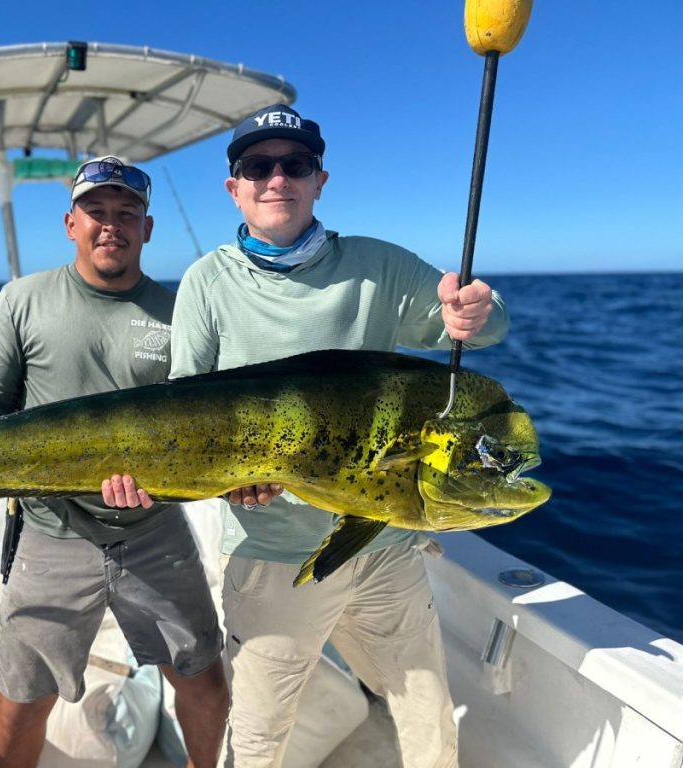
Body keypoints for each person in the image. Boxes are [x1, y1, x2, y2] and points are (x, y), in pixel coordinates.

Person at [109, 103, 508, 767]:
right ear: (234, 187)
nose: (277, 178)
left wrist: (477, 311)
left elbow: (481, 327)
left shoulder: (381, 267)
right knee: (259, 738)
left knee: (430, 718)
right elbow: (184, 417)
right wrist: (218, 483)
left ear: (319, 180)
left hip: (382, 543)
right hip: (272, 553)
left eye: (295, 164)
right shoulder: (207, 282)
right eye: (257, 166)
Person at [0, 156, 228, 768]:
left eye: (127, 213)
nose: (111, 224)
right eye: (96, 212)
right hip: (50, 532)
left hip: (154, 528)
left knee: (205, 684)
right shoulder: (22, 299)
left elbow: (203, 421)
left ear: (147, 228)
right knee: (23, 701)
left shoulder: (181, 312)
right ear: (70, 223)